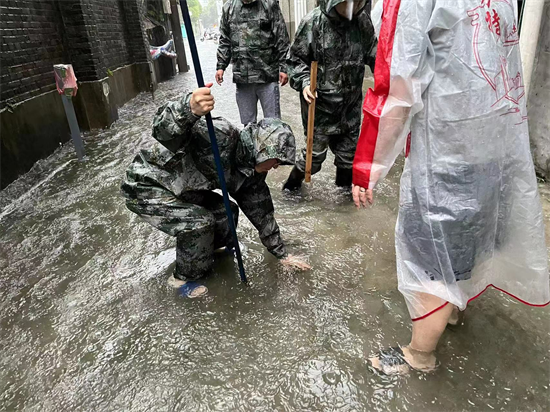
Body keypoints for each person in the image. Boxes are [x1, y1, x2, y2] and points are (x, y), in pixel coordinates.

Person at [352, 0, 549, 375]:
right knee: (468, 237)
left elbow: (397, 85)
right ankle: (453, 310)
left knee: (431, 253)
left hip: (447, 147)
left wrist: (368, 166)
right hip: (493, 140)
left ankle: (419, 354)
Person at [121, 86, 310, 297]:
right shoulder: (219, 134)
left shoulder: (251, 174)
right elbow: (161, 130)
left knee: (226, 212)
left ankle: (208, 253)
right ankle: (182, 280)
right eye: (276, 160)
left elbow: (262, 214)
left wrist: (282, 255)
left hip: (184, 188)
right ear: (261, 149)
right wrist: (189, 108)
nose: (275, 167)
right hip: (147, 184)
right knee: (198, 224)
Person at [283, 0, 377, 191]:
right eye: (350, 2)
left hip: (350, 108)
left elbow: (374, 54)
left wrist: (390, 80)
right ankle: (290, 190)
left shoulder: (362, 22)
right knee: (313, 159)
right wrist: (305, 83)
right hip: (319, 109)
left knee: (348, 158)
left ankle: (345, 203)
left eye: (359, 3)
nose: (355, 7)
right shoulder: (313, 22)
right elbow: (294, 62)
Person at [216, 0, 290, 126]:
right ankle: (251, 146)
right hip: (242, 77)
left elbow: (281, 38)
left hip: (267, 75)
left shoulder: (269, 5)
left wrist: (284, 68)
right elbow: (225, 40)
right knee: (248, 126)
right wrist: (221, 66)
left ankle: (273, 145)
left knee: (274, 124)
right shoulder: (228, 8)